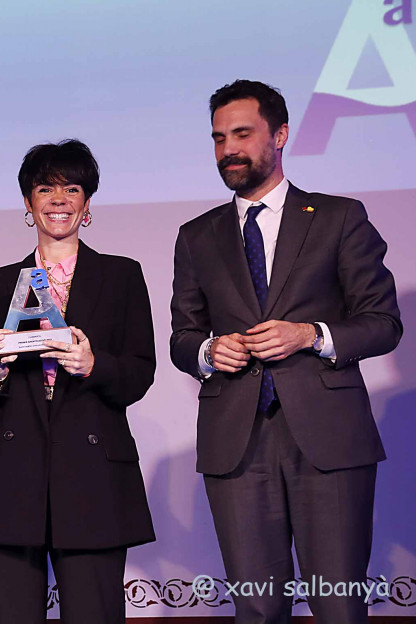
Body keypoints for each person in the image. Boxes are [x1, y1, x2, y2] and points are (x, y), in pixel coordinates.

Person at [170, 80, 403, 623]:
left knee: (338, 602)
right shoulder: (197, 235)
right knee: (255, 605)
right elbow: (183, 337)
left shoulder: (339, 217)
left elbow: (383, 324)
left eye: (242, 134)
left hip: (329, 438)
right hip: (236, 442)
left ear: (280, 135)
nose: (229, 149)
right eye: (219, 138)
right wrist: (209, 351)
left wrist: (311, 335)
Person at [0, 139, 156, 624]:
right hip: (9, 477)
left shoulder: (121, 275)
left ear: (87, 204)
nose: (59, 200)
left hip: (93, 477)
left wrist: (93, 364)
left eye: (72, 188)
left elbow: (140, 373)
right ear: (28, 203)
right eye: (45, 188)